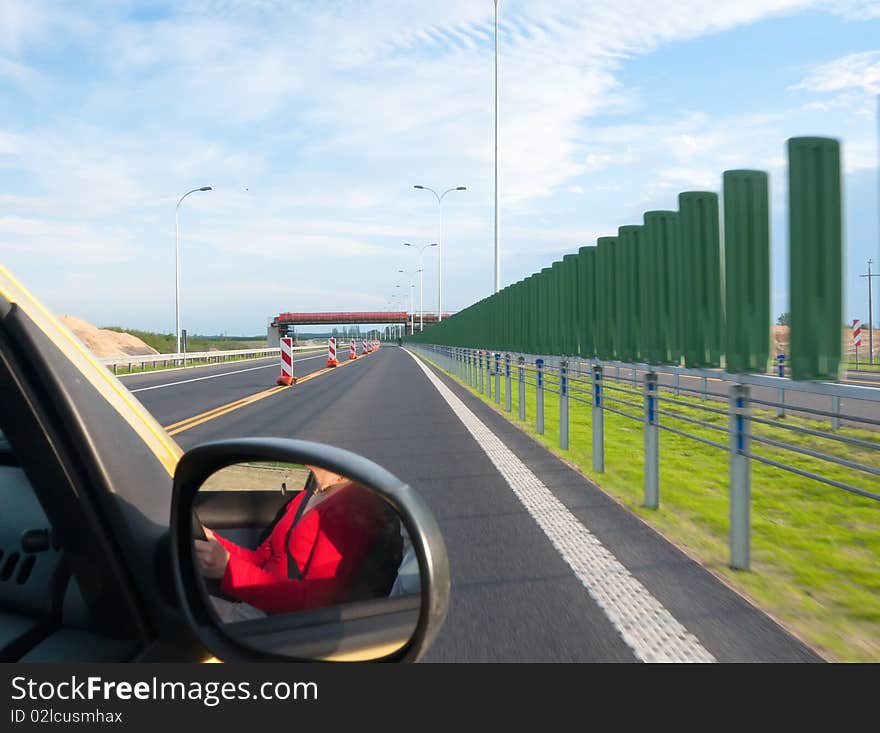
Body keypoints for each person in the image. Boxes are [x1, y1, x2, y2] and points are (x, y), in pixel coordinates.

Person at [194, 465, 401, 619]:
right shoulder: (308, 494)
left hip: (283, 622)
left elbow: (317, 602)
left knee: (187, 613)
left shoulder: (354, 504)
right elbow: (263, 557)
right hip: (259, 602)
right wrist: (214, 540)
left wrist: (229, 569)